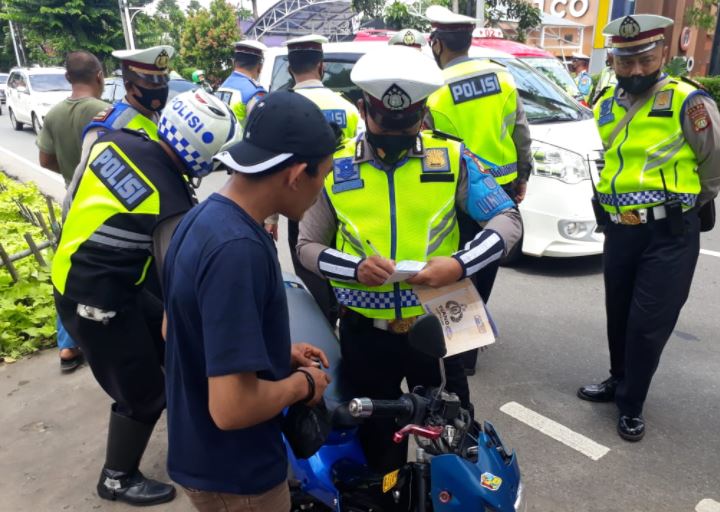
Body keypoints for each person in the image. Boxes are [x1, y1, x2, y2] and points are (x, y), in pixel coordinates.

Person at [297, 46, 521, 475]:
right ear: (363, 109)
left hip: (438, 320)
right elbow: (306, 244)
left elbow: (507, 220)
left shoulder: (453, 158)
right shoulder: (336, 165)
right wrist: (354, 269)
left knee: (451, 430)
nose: (395, 133)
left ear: (422, 115)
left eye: (408, 122)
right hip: (366, 329)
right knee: (377, 437)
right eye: (385, 121)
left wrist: (459, 265)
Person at [52, 90, 238, 505]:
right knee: (143, 390)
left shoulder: (114, 140)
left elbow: (72, 194)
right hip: (98, 300)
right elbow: (182, 278)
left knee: (167, 345)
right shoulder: (169, 198)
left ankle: (192, 419)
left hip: (79, 272)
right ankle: (116, 477)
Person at [162, 91, 334, 512]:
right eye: (321, 176)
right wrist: (302, 384)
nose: (321, 190)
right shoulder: (238, 249)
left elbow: (177, 328)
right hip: (237, 475)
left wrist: (275, 355)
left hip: (200, 452)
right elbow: (232, 408)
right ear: (295, 174)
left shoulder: (201, 218)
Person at [578, 14, 720, 442]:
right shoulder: (605, 103)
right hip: (620, 231)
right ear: (614, 61)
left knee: (647, 322)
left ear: (662, 53)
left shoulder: (688, 101)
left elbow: (713, 164)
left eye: (644, 58)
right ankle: (618, 379)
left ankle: (631, 403)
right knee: (618, 315)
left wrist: (683, 207)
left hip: (669, 235)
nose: (636, 69)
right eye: (626, 61)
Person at [424, 4, 533, 374]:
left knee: (457, 266)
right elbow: (519, 129)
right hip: (499, 188)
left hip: (456, 193)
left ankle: (457, 348)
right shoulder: (501, 77)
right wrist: (522, 174)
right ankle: (467, 350)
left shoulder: (434, 88)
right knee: (484, 264)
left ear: (437, 43)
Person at [265, 34, 363, 324]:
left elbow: (273, 164)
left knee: (310, 265)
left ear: (291, 69)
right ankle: (346, 311)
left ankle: (322, 323)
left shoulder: (282, 107)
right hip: (344, 200)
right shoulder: (347, 107)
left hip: (300, 202)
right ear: (321, 66)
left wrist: (271, 217)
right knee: (343, 260)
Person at [36, 50, 108, 372]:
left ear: (68, 77)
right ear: (100, 75)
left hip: (72, 205)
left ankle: (67, 347)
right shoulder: (106, 112)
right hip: (107, 207)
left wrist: (71, 169)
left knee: (67, 272)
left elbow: (44, 161)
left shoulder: (52, 115)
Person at [64, 45, 175, 214]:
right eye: (151, 85)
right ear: (129, 86)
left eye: (163, 83)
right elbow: (78, 187)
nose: (160, 90)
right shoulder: (106, 128)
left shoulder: (161, 118)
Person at [220, 39, 268, 125]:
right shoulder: (255, 92)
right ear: (259, 67)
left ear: (234, 63)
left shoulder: (222, 86)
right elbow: (262, 127)